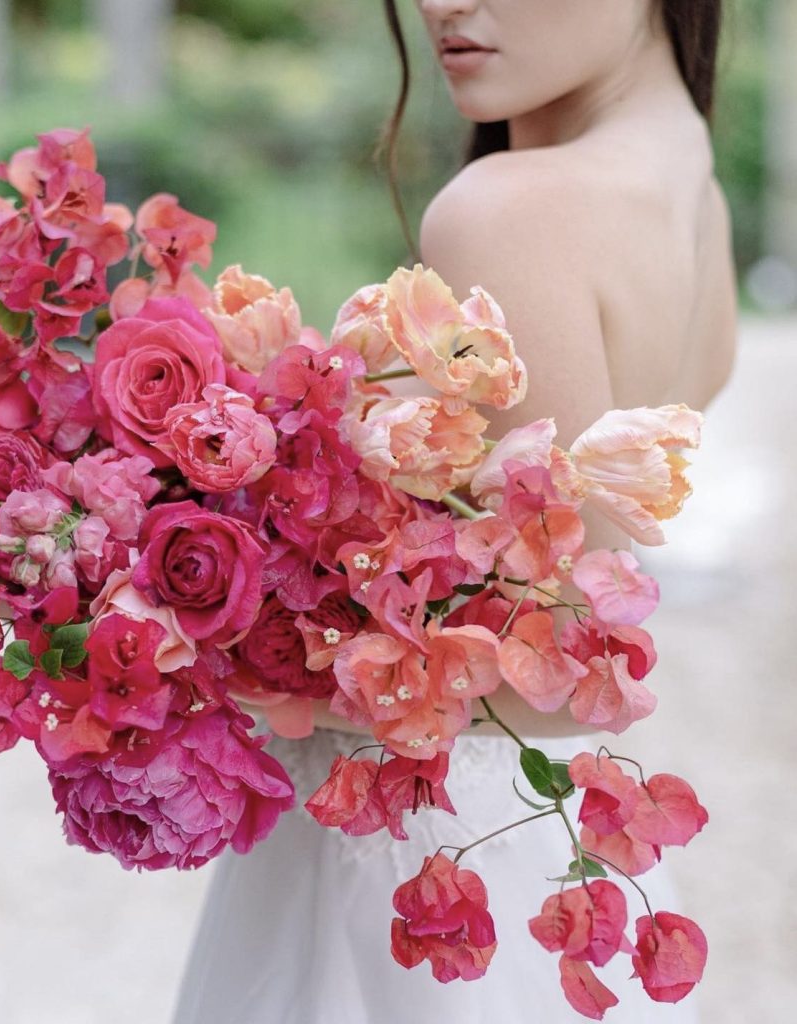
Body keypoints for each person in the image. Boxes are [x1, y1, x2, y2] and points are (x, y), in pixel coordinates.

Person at [171, 1, 737, 1020]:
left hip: (421, 898)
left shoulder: (510, 209)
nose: (440, 4)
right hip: (548, 882)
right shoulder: (685, 174)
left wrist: (193, 642)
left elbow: (543, 684)